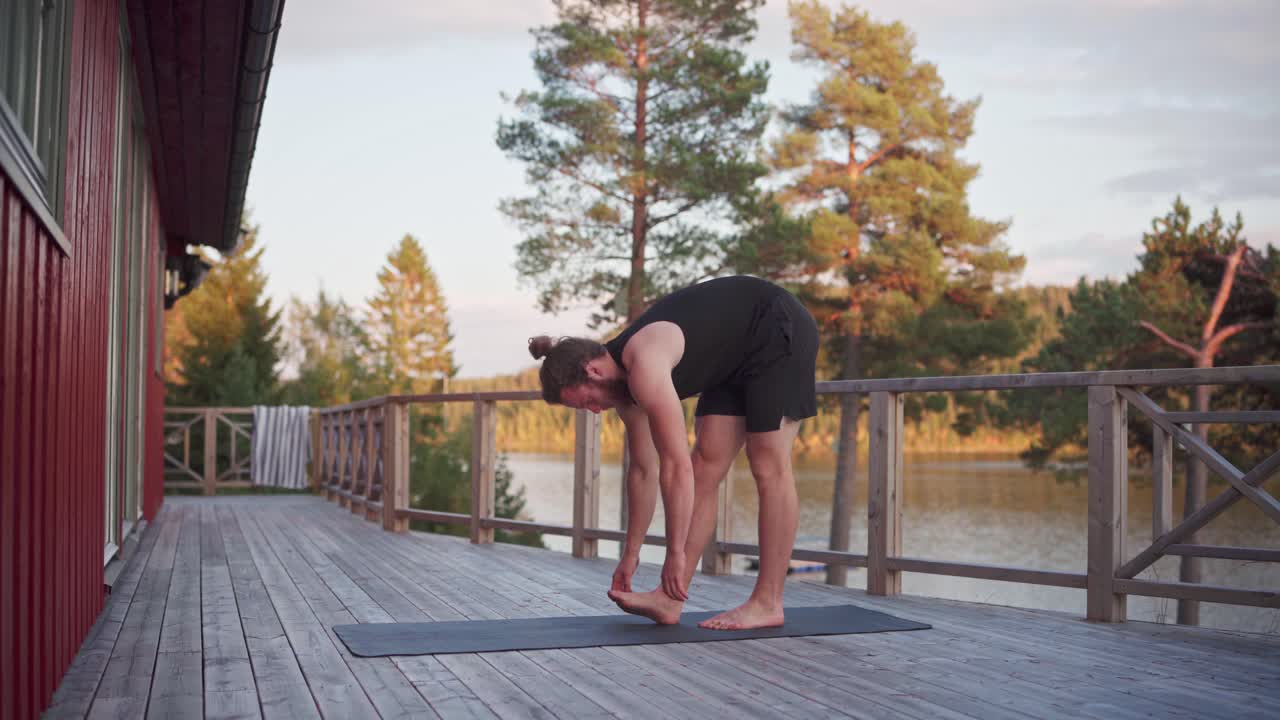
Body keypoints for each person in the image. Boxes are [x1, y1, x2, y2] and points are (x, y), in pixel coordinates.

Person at [527, 275, 818, 630]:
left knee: (767, 462)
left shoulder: (644, 365)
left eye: (588, 400)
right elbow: (643, 472)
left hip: (774, 324)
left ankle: (768, 601)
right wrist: (630, 554)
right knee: (704, 468)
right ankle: (669, 599)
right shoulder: (623, 392)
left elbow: (672, 464)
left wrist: (674, 553)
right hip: (732, 359)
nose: (594, 410)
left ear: (593, 371)